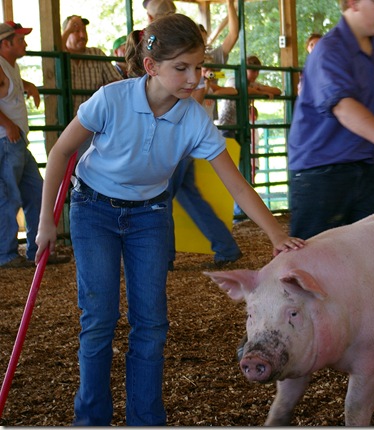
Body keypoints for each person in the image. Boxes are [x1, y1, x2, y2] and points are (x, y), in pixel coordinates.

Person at [34, 14, 304, 426]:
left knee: (152, 324)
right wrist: (46, 222)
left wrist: (275, 234)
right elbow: (60, 153)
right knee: (98, 321)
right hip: (93, 210)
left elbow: (238, 186)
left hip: (149, 215)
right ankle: (90, 420)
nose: (194, 77)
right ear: (151, 66)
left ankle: (147, 419)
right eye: (182, 68)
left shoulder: (194, 119)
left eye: (199, 67)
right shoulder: (112, 99)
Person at [287, 0, 374, 240]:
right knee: (314, 260)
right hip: (321, 171)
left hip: (367, 165)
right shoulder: (329, 49)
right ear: (352, 3)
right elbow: (343, 107)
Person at [166, 0, 242, 270]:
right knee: (188, 196)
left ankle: (161, 256)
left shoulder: (192, 66)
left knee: (160, 199)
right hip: (191, 137)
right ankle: (225, 246)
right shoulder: (197, 66)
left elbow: (194, 102)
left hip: (184, 136)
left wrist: (231, 4)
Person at [0, 21, 69, 268]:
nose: (25, 43)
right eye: (20, 40)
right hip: (7, 140)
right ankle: (5, 254)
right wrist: (8, 125)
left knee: (37, 192)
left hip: (16, 141)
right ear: (5, 43)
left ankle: (37, 250)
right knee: (8, 195)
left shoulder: (9, 66)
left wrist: (27, 85)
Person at [61, 15, 122, 158]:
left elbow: (116, 83)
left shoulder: (96, 53)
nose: (82, 35)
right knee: (64, 163)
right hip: (64, 121)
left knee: (87, 162)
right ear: (66, 32)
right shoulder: (60, 55)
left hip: (91, 123)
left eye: (84, 31)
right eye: (76, 31)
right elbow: (56, 48)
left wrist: (103, 90)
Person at [217, 55, 282, 139]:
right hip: (227, 126)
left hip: (241, 126)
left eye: (257, 71)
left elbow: (278, 91)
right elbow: (243, 90)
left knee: (241, 149)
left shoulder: (253, 84)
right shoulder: (233, 80)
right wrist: (261, 92)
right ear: (245, 70)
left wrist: (261, 88)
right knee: (231, 150)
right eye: (253, 71)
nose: (256, 74)